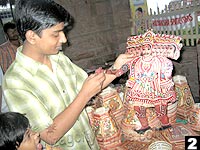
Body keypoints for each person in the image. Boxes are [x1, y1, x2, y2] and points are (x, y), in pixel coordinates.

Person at [3, 0, 133, 149]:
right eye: (56, 34)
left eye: (63, 32)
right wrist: (84, 95)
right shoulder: (16, 81)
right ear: (32, 36)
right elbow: (49, 135)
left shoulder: (58, 58)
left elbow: (92, 86)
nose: (64, 39)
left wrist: (118, 67)